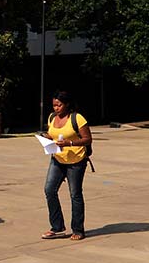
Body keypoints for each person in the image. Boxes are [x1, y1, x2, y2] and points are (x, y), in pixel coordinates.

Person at [40, 91, 92, 241]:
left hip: (76, 161)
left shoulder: (77, 118)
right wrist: (46, 138)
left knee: (75, 194)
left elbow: (87, 139)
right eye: (54, 105)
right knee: (49, 190)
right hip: (57, 159)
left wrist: (70, 143)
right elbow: (53, 134)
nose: (56, 108)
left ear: (67, 104)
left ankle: (78, 229)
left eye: (59, 105)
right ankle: (57, 227)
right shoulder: (51, 117)